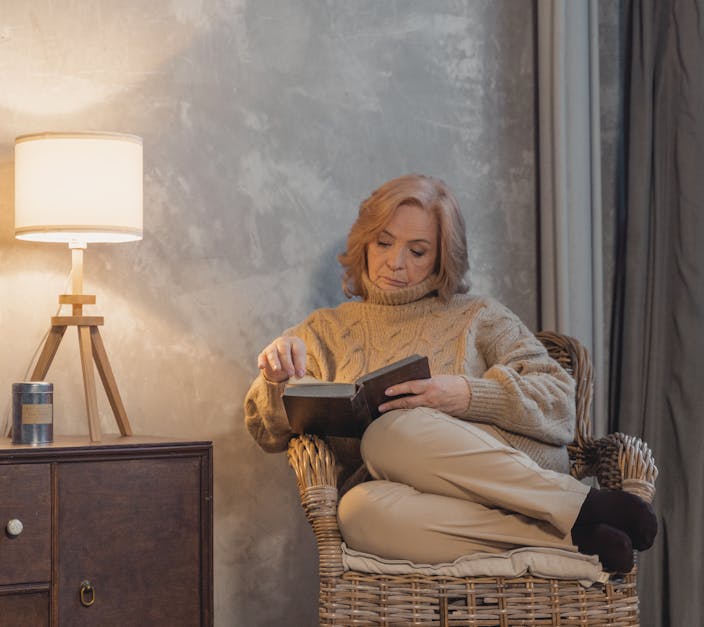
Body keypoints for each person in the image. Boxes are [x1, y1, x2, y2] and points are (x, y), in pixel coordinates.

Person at [244, 174, 656, 572]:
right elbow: (266, 431)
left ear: (443, 257)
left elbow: (560, 403)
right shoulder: (324, 331)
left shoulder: (479, 315)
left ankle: (579, 503)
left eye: (417, 251)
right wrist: (277, 380)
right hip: (419, 507)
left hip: (514, 481)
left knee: (388, 432)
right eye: (384, 242)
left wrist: (467, 395)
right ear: (365, 241)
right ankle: (572, 539)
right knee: (355, 510)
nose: (394, 262)